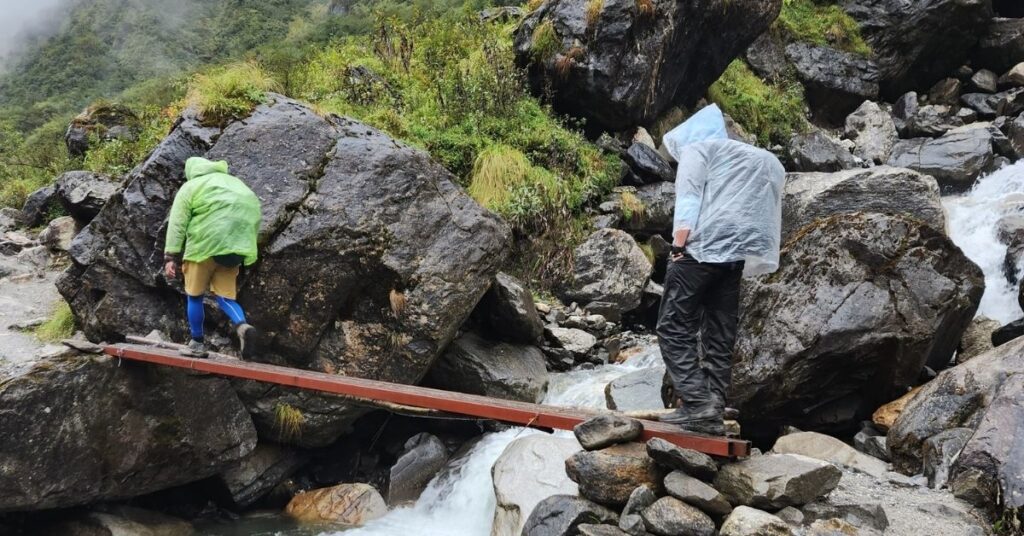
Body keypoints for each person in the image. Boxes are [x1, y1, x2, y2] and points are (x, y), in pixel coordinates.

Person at [656, 104, 785, 435]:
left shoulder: (698, 151)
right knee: (719, 331)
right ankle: (715, 400)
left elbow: (688, 200)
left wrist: (679, 245)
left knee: (673, 327)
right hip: (733, 257)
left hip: (699, 251)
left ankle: (699, 406)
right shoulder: (742, 157)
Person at [163, 157, 262, 359]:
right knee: (225, 297)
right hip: (235, 248)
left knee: (195, 295)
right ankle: (243, 326)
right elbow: (255, 213)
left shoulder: (191, 186)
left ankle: (197, 344)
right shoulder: (236, 184)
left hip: (203, 246)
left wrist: (170, 256)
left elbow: (177, 223)